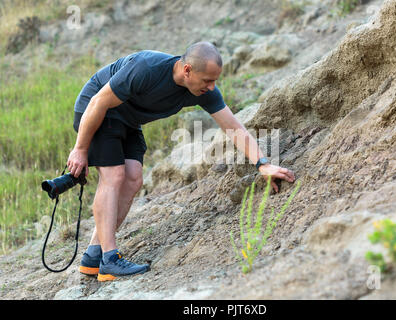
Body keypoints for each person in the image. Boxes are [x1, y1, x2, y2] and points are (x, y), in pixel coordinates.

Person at [68, 41, 296, 282]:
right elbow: (98, 102)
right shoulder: (146, 68)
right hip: (96, 110)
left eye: (215, 80)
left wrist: (263, 164)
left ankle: (94, 256)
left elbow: (234, 127)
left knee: (133, 178)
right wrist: (80, 149)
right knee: (114, 176)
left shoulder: (203, 91)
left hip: (128, 120)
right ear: (187, 70)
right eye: (207, 80)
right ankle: (109, 260)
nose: (212, 87)